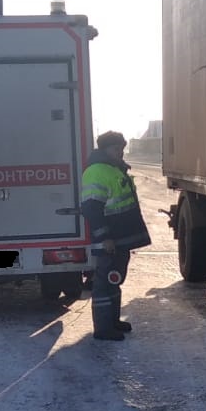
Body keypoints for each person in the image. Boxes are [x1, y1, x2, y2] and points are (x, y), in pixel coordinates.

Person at [79, 130, 150, 341]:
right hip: (109, 240)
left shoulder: (113, 168)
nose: (120, 151)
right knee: (104, 283)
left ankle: (113, 321)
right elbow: (92, 208)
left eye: (122, 147)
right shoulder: (98, 171)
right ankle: (103, 328)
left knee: (114, 280)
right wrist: (104, 237)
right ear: (105, 149)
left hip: (118, 239)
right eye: (116, 148)